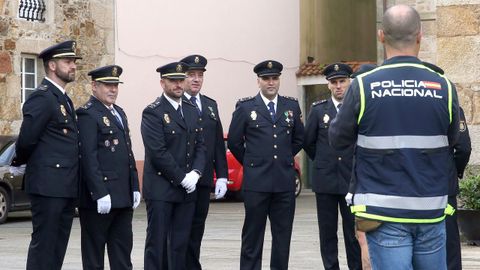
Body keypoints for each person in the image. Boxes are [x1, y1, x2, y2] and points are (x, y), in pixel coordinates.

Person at [329, 5, 460, 270]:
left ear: (381, 36)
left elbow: (337, 139)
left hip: (382, 212)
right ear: (420, 36)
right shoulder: (443, 86)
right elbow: (452, 139)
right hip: (430, 211)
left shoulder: (364, 85)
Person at [11, 40, 81, 270]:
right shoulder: (42, 97)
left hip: (65, 186)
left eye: (73, 62)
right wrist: (20, 161)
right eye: (67, 62)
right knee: (45, 246)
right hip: (48, 186)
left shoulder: (63, 99)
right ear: (52, 65)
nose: (73, 66)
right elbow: (27, 138)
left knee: (57, 248)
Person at [227, 60, 304, 270]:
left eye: (275, 78)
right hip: (256, 184)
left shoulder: (291, 106)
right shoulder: (245, 107)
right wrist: (253, 162)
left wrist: (285, 158)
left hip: (283, 183)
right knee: (253, 236)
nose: (271, 82)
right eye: (266, 79)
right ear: (258, 81)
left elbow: (299, 139)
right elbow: (234, 141)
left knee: (282, 237)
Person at [141, 62, 206, 270]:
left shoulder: (191, 109)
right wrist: (182, 177)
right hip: (162, 189)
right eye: (173, 81)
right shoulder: (153, 112)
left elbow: (201, 146)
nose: (178, 85)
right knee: (157, 244)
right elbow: (158, 152)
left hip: (186, 190)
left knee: (180, 244)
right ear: (162, 83)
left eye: (181, 80)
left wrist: (196, 173)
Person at [76, 65, 141, 270]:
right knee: (94, 257)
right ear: (94, 86)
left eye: (115, 85)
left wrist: (135, 186)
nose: (113, 89)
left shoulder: (119, 113)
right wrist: (99, 192)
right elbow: (88, 157)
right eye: (107, 85)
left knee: (122, 254)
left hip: (122, 196)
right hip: (100, 198)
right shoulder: (88, 114)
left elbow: (128, 155)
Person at [303, 62, 362, 270]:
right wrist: (323, 161)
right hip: (325, 181)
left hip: (351, 181)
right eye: (334, 82)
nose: (338, 86)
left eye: (342, 81)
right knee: (327, 233)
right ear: (328, 85)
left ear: (349, 82)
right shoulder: (319, 110)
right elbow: (308, 142)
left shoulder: (358, 108)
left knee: (352, 233)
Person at [180, 54, 228, 270]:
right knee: (181, 230)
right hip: (182, 180)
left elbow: (218, 143)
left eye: (200, 75)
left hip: (205, 179)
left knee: (197, 228)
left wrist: (223, 176)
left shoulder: (210, 105)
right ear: (182, 78)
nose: (196, 79)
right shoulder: (176, 103)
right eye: (191, 75)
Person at [422, 61, 472, 270]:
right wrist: (455, 171)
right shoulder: (451, 107)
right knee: (449, 242)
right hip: (443, 184)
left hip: (411, 185)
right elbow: (463, 148)